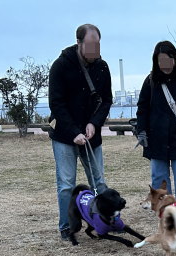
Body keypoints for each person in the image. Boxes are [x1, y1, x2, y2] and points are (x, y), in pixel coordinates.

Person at [48, 24, 113, 240]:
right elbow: (56, 104)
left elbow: (106, 101)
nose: (95, 49)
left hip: (91, 136)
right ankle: (66, 226)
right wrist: (74, 132)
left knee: (99, 182)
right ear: (78, 43)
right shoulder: (60, 66)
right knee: (67, 184)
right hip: (65, 136)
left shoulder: (103, 67)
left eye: (98, 44)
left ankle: (104, 220)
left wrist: (94, 123)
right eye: (90, 45)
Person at [135, 41, 176, 221]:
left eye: (167, 60)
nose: (164, 64)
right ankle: (165, 209)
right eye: (160, 61)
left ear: (174, 59)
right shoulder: (150, 82)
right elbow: (142, 108)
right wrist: (141, 131)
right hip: (155, 138)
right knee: (159, 176)